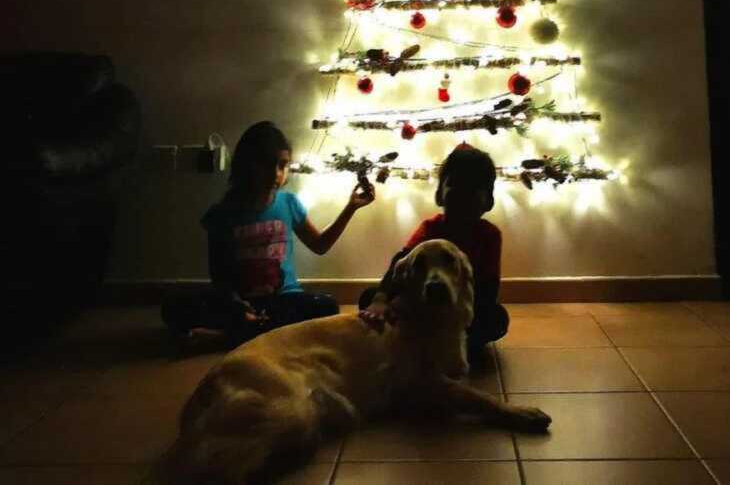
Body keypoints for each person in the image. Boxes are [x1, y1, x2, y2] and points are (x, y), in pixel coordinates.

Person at [162, 120, 374, 348]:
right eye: (266, 164)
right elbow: (219, 274)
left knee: (327, 306)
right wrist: (236, 303)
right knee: (174, 305)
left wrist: (351, 207)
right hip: (238, 302)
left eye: (283, 165)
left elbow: (320, 245)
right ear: (247, 165)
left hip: (283, 300)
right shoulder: (222, 213)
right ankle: (257, 330)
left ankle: (225, 338)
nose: (276, 173)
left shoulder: (289, 203)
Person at [358, 143, 508, 359]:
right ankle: (422, 340)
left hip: (461, 309)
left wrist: (460, 312)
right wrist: (381, 299)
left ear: (489, 200)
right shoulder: (430, 228)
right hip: (422, 304)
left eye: (473, 189)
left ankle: (452, 343)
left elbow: (488, 289)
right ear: (439, 195)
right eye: (456, 187)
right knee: (369, 298)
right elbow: (400, 263)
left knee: (497, 318)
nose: (464, 197)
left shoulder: (490, 235)